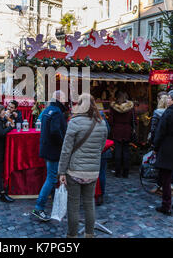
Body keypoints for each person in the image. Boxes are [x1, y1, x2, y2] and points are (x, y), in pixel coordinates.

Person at [58, 94, 108, 238]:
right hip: (92, 171)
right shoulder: (102, 123)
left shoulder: (74, 122)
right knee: (89, 203)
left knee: (73, 205)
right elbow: (101, 146)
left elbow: (66, 150)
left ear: (80, 105)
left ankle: (72, 236)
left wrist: (61, 172)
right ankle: (89, 234)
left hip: (74, 171)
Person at [32, 91, 68, 222]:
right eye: (63, 98)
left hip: (48, 149)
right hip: (54, 151)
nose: (65, 101)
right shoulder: (57, 112)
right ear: (59, 99)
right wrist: (63, 142)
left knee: (52, 177)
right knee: (51, 178)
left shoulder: (48, 110)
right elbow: (54, 131)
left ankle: (51, 201)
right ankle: (39, 207)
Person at [149, 94, 173, 196]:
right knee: (171, 165)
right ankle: (171, 185)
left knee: (161, 165)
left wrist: (153, 143)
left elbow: (154, 130)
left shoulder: (157, 113)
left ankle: (161, 185)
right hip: (172, 143)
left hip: (161, 143)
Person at [110, 91, 135, 178]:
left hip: (117, 129)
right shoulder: (131, 107)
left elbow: (111, 120)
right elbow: (134, 120)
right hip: (127, 130)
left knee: (117, 151)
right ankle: (126, 172)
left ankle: (117, 172)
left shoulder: (113, 107)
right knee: (126, 151)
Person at [96, 110, 111, 206]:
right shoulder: (102, 118)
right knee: (101, 173)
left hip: (93, 151)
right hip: (103, 150)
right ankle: (101, 194)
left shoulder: (87, 118)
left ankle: (94, 194)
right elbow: (108, 131)